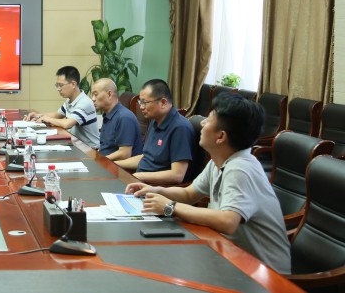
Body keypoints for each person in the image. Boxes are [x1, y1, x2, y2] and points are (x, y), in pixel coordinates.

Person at [125, 93, 291, 274]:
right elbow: (189, 194)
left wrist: (169, 207)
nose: (202, 123)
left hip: (264, 273)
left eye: (209, 120)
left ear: (221, 136)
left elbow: (228, 221)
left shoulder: (241, 168)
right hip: (231, 257)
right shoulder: (219, 161)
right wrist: (155, 190)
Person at [116, 79, 194, 184]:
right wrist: (115, 164)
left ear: (163, 103)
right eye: (140, 102)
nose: (141, 107)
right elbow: (146, 158)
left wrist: (138, 176)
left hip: (156, 188)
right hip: (139, 181)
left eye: (145, 102)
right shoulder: (155, 121)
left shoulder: (180, 128)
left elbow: (177, 175)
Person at [23, 66, 100, 148]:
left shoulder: (85, 102)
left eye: (61, 85)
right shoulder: (70, 100)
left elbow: (67, 124)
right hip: (76, 143)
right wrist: (37, 115)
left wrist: (47, 119)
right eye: (57, 85)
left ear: (73, 84)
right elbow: (57, 115)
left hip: (89, 149)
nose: (58, 89)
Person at [90, 78, 142, 161]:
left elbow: (124, 154)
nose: (93, 99)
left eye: (95, 94)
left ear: (109, 94)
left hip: (117, 167)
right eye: (92, 95)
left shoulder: (124, 117)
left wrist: (99, 160)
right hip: (105, 162)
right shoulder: (108, 114)